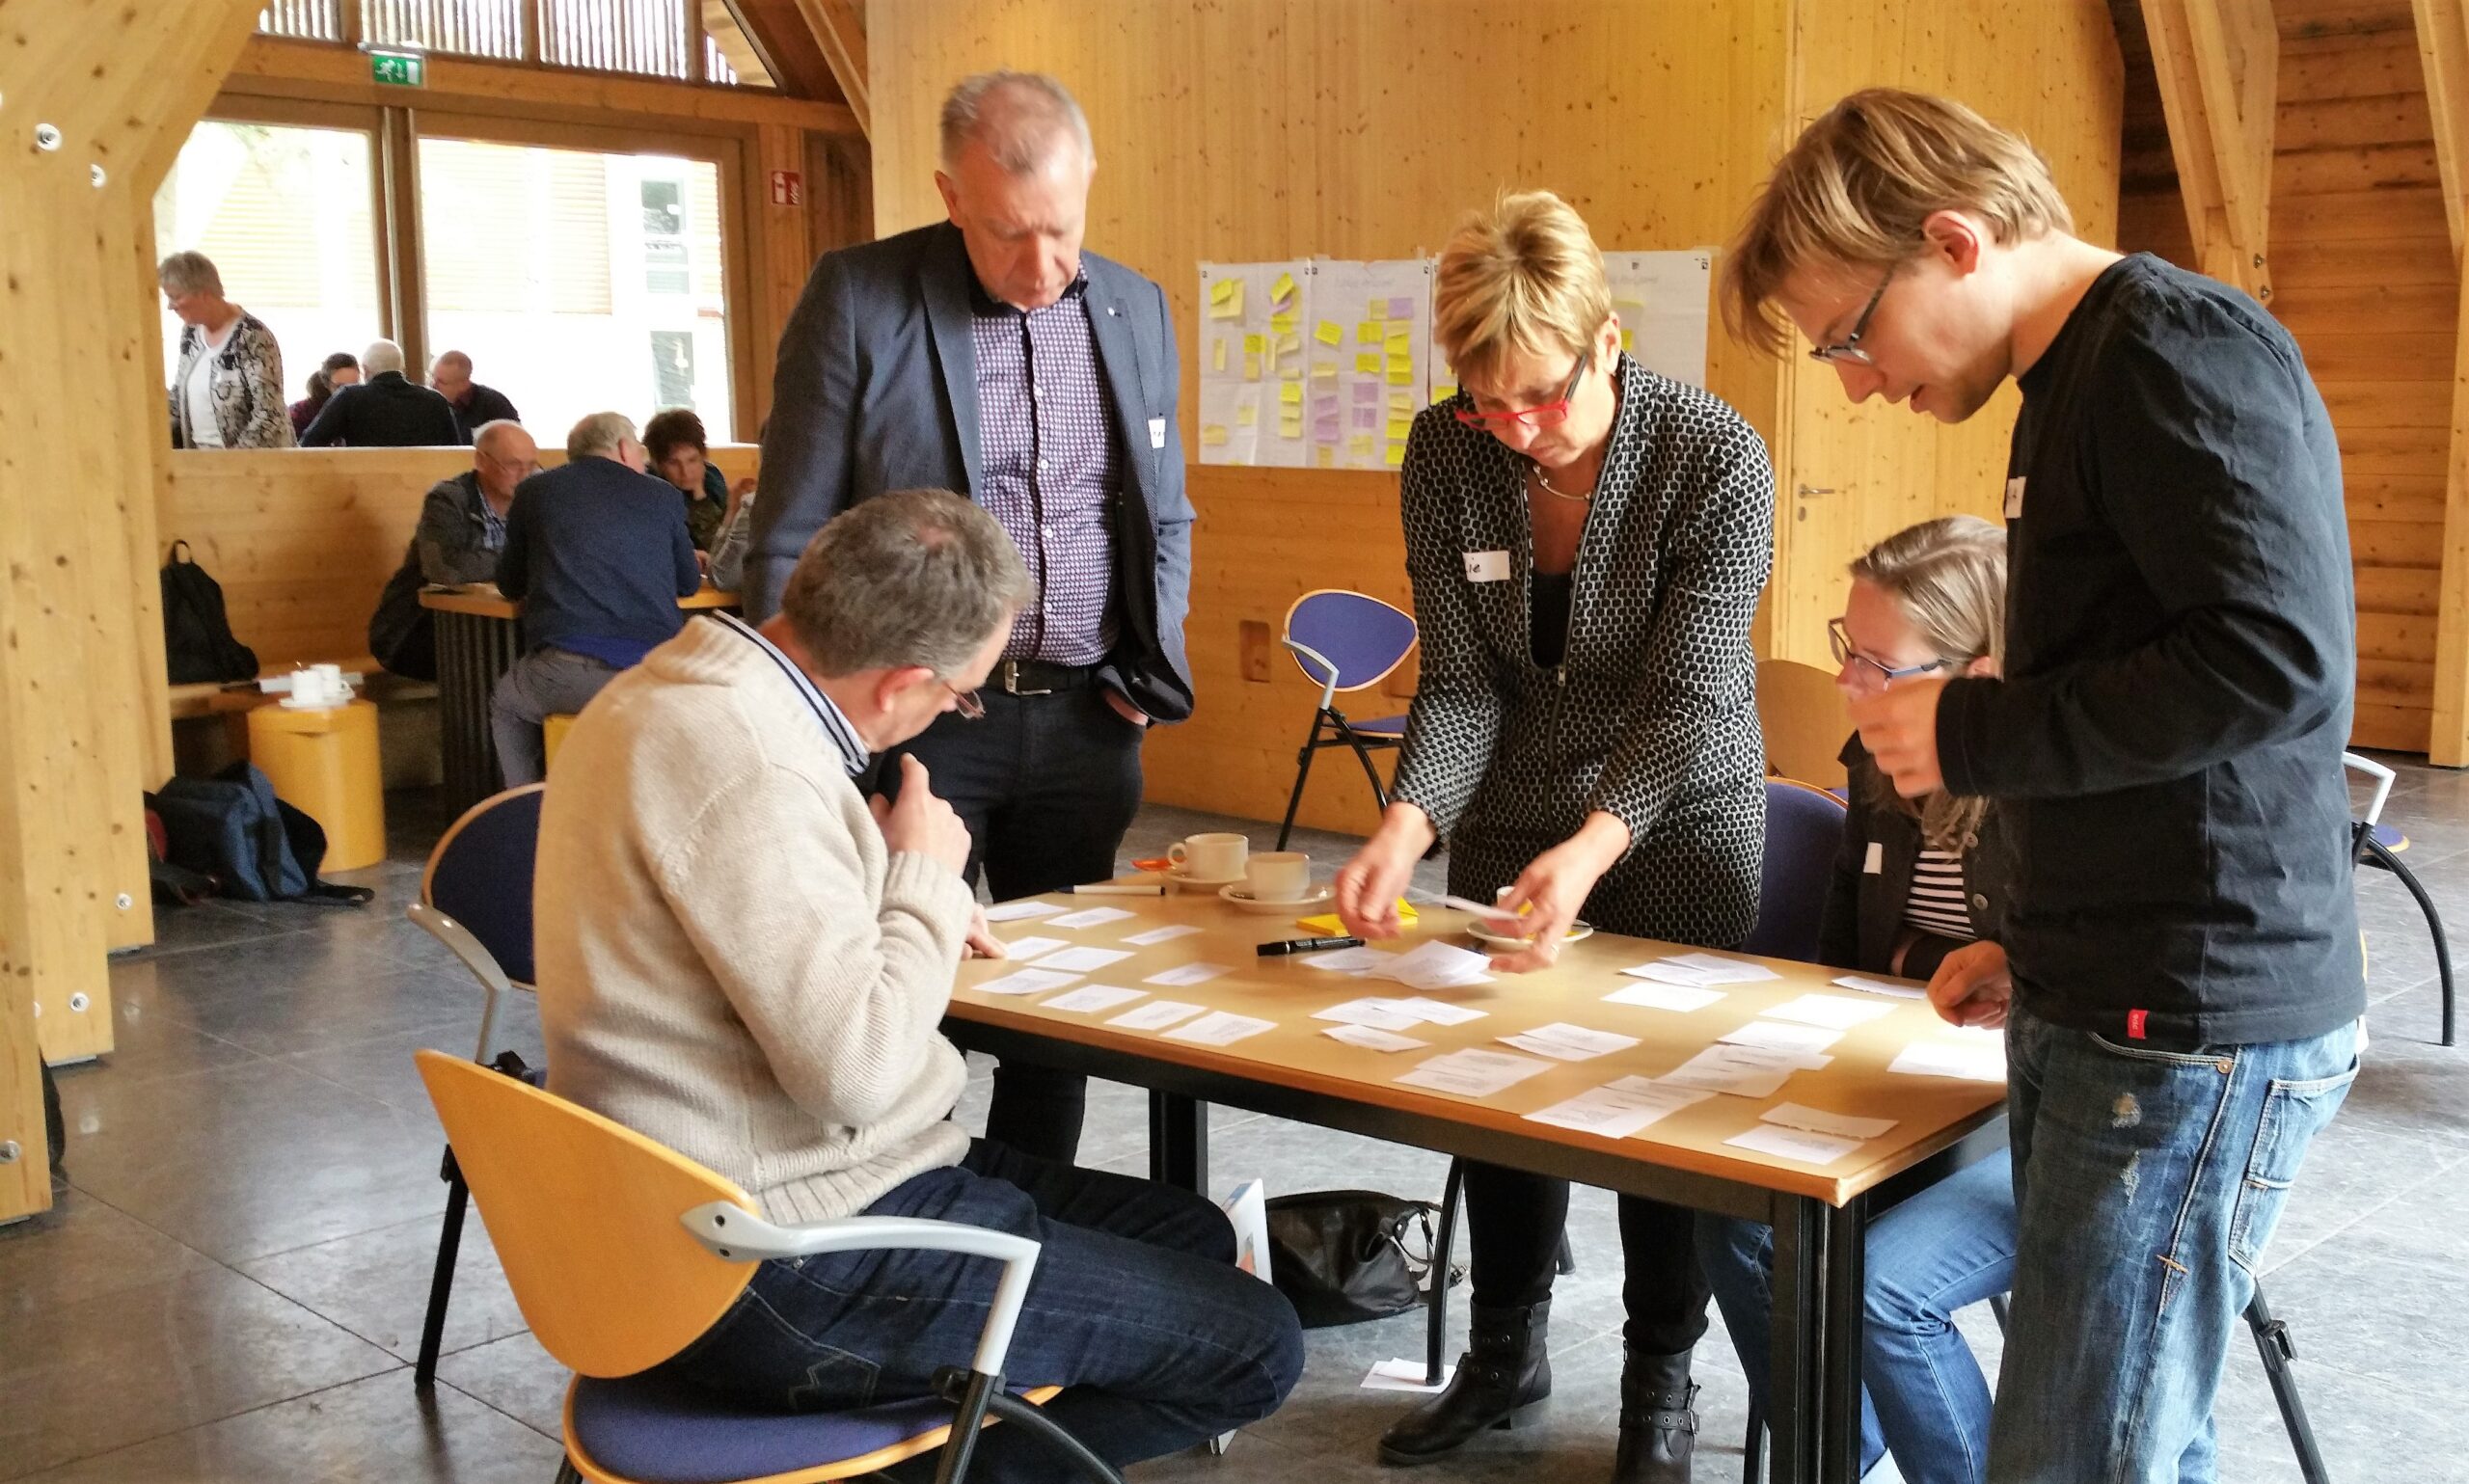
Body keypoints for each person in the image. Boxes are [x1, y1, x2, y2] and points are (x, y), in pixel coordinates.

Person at [1723, 89, 2363, 1483]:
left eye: (1849, 333)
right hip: (2115, 990)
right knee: (2127, 1437)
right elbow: (2150, 696)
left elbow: (2276, 659)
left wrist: (1975, 731)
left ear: (1954, 242)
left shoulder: (2170, 351)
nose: (1853, 379)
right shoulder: (2069, 381)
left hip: (2190, 1020)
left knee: (2083, 1454)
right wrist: (2040, 934)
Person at [534, 489, 1302, 1482]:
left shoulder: (671, 689)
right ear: (903, 683)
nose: (954, 712)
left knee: (1190, 1232)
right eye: (962, 694)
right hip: (774, 1257)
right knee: (1256, 1347)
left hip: (728, 1187)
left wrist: (882, 898)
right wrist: (926, 883)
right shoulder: (756, 766)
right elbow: (853, 1072)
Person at [1332, 189, 1774, 1483]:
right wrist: (1409, 820)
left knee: (1658, 1108)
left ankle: (1658, 1384)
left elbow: (1690, 689)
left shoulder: (1713, 455)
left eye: (1540, 396)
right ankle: (1502, 1350)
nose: (1516, 430)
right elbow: (1462, 680)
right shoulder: (1446, 452)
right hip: (1513, 801)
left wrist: (1594, 847)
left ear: (1609, 342)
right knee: (1501, 1092)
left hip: (1680, 818)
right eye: (1488, 401)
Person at [749, 70, 1194, 1165]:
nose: (1040, 266)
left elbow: (1163, 507)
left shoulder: (1135, 305)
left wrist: (1142, 679)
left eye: (1059, 230)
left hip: (1087, 718)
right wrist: (807, 728)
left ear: (1089, 181)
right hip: (915, 726)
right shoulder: (861, 295)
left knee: (1060, 1014)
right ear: (951, 195)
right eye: (1006, 234)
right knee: (901, 985)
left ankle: (1035, 1232)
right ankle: (913, 1207)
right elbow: (789, 525)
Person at [1697, 516, 2018, 1484]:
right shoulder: (1873, 752)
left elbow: (2038, 969)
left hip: (2011, 1102)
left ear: (1977, 671)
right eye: (1849, 649)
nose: (1847, 683)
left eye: (1876, 662)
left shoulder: (2044, 792)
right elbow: (1846, 934)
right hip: (1899, 1060)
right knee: (1735, 1215)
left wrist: (1955, 963)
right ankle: (1845, 1454)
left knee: (1881, 1282)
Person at [489, 412, 699, 785]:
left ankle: (526, 818)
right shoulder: (663, 495)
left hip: (567, 674)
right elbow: (688, 583)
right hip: (654, 675)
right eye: (639, 450)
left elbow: (509, 583)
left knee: (508, 705)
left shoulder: (535, 492)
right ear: (622, 447)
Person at [366, 420, 542, 680]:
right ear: (481, 461)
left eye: (532, 466)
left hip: (503, 625)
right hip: (423, 629)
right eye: (514, 465)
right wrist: (518, 560)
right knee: (510, 659)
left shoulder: (540, 500)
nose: (525, 476)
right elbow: (445, 568)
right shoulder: (449, 500)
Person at [161, 251, 294, 449]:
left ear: (204, 294)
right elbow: (179, 396)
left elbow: (269, 415)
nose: (170, 306)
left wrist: (231, 463)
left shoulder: (252, 336)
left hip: (249, 466)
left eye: (176, 297)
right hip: (199, 461)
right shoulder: (190, 332)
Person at [300, 338, 460, 446]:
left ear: (366, 370)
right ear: (401, 368)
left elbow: (309, 443)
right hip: (425, 491)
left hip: (363, 490)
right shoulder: (435, 401)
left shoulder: (350, 398)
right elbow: (456, 451)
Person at [642, 406, 752, 552]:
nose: (685, 472)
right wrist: (699, 496)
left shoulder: (712, 477)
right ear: (658, 464)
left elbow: (726, 547)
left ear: (703, 455)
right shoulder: (652, 492)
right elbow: (713, 548)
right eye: (673, 463)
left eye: (692, 460)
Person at [428, 349, 522, 445]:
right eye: (432, 377)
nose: (433, 385)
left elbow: (515, 445)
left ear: (463, 385)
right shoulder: (432, 405)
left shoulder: (494, 405)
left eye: (442, 382)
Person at [289, 351, 361, 439]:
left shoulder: (365, 410)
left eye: (354, 386)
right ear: (326, 384)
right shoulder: (302, 413)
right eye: (340, 387)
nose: (348, 393)